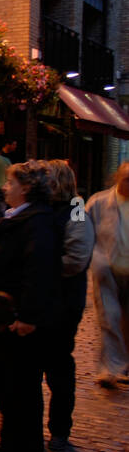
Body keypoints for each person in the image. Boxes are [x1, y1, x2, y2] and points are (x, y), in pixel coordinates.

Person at [0, 160, 60, 452]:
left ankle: (25, 451)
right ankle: (11, 437)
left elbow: (38, 273)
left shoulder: (37, 223)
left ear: (26, 188)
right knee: (2, 376)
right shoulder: (17, 217)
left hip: (19, 317)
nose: (5, 187)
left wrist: (28, 316)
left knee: (20, 383)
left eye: (11, 183)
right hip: (4, 314)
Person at [38, 160, 94, 448]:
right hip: (41, 300)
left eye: (46, 177)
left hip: (64, 301)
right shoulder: (44, 209)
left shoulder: (76, 212)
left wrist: (41, 269)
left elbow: (75, 260)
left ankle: (60, 429)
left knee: (58, 365)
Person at [86, 161, 129, 388]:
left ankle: (125, 365)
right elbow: (83, 231)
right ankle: (110, 369)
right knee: (109, 318)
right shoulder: (99, 202)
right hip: (107, 272)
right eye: (127, 179)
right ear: (117, 178)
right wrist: (94, 258)